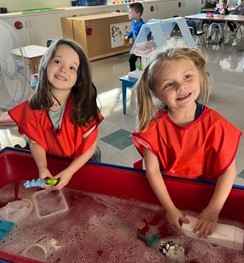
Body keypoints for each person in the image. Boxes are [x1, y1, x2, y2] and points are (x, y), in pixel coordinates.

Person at [130, 47, 242, 239]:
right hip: (166, 196)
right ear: (156, 94)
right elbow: (152, 171)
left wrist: (214, 209)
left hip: (204, 196)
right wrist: (170, 208)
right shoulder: (153, 127)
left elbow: (228, 170)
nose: (181, 87)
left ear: (199, 76)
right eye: (169, 84)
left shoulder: (216, 125)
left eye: (187, 77)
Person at [9, 38, 104, 189]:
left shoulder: (83, 106)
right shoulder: (33, 107)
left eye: (72, 68)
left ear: (79, 78)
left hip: (84, 159)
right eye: (58, 62)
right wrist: (42, 166)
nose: (63, 69)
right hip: (53, 158)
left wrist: (70, 171)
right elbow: (35, 141)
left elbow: (90, 146)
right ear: (45, 64)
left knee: (84, 191)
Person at [124, 2, 145, 72]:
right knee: (131, 60)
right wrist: (128, 36)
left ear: (138, 14)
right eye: (129, 12)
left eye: (131, 12)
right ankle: (132, 72)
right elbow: (132, 31)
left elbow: (146, 35)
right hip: (136, 46)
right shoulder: (133, 21)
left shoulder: (142, 25)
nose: (129, 14)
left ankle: (144, 73)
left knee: (143, 61)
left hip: (142, 47)